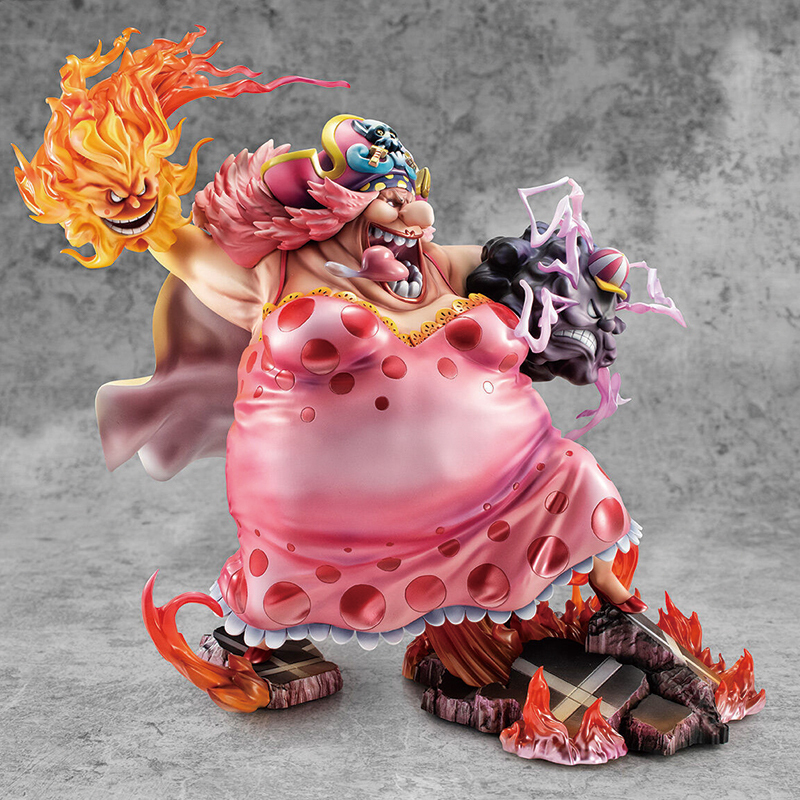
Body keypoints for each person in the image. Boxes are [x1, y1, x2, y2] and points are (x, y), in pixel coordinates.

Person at [15, 29, 658, 710]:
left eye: (412, 195)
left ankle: (617, 613)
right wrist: (138, 208)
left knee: (578, 480)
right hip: (327, 517)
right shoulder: (275, 274)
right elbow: (177, 245)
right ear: (338, 207)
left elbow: (527, 263)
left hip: (504, 486)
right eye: (391, 200)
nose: (416, 215)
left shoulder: (437, 265)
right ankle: (250, 646)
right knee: (284, 589)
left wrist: (581, 274)